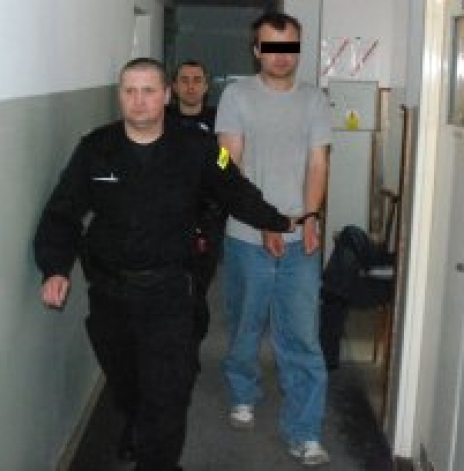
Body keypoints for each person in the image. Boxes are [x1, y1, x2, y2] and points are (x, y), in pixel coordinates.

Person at [33, 57, 298, 471]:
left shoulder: (200, 147)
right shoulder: (95, 149)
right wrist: (54, 267)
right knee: (127, 385)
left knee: (168, 394)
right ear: (120, 96)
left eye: (148, 91)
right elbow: (61, 213)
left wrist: (276, 221)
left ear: (166, 96)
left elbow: (235, 189)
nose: (139, 101)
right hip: (111, 293)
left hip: (170, 292)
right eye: (130, 91)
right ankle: (136, 422)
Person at [215, 12, 332, 466]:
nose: (282, 57)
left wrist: (309, 217)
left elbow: (319, 163)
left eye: (290, 47)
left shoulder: (314, 100)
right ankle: (243, 390)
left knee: (301, 334)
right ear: (256, 50)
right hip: (247, 234)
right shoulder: (236, 96)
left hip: (301, 237)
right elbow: (228, 163)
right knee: (246, 322)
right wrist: (264, 220)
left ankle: (305, 431)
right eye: (272, 47)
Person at [167, 60, 227, 350]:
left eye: (196, 80)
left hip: (207, 216)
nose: (190, 86)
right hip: (168, 217)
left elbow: (227, 159)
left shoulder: (220, 121)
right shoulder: (162, 121)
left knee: (198, 286)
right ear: (174, 87)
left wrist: (215, 171)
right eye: (184, 80)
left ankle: (191, 345)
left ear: (206, 86)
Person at [320, 225, 395, 371]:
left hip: (387, 279)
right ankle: (331, 287)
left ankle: (328, 358)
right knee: (349, 235)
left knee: (335, 289)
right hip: (386, 261)